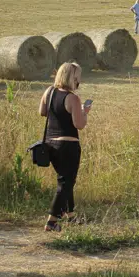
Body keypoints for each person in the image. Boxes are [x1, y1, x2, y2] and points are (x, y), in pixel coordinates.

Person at [38, 62, 91, 232]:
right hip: (68, 145)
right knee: (66, 183)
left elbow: (42, 112)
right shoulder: (73, 98)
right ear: (73, 78)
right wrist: (84, 112)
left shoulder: (49, 91)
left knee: (65, 180)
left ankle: (70, 215)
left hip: (50, 144)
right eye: (78, 78)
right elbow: (79, 124)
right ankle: (51, 221)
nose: (79, 81)